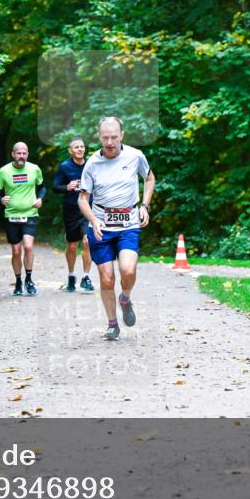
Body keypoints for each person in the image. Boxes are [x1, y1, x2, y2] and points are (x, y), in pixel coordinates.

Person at [78, 117, 155, 340]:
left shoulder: (135, 156)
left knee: (128, 270)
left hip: (128, 223)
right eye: (105, 138)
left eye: (113, 137)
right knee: (107, 279)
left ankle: (126, 298)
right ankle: (112, 324)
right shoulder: (92, 163)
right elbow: (83, 199)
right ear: (99, 138)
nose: (110, 142)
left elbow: (149, 179)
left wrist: (145, 206)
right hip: (101, 226)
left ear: (121, 135)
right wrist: (93, 220)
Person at [0, 142, 45, 296]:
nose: (21, 156)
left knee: (28, 247)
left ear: (27, 154)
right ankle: (18, 281)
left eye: (24, 153)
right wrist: (1, 199)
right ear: (13, 154)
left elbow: (42, 187)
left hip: (30, 213)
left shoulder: (34, 169)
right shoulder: (4, 171)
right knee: (16, 250)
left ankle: (29, 278)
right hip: (12, 215)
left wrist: (40, 198)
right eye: (19, 153)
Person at [53, 138, 94, 292]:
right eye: (76, 147)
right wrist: (67, 186)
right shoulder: (65, 167)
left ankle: (86, 277)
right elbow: (55, 187)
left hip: (88, 210)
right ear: (70, 150)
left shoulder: (91, 164)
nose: (80, 149)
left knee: (87, 241)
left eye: (82, 146)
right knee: (72, 245)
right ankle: (71, 275)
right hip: (71, 210)